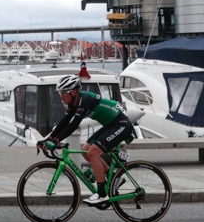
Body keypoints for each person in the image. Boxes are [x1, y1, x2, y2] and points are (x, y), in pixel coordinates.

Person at [39, 74, 135, 206]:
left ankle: (102, 194)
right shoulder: (74, 102)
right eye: (59, 92)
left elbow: (73, 125)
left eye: (63, 92)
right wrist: (48, 139)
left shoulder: (85, 100)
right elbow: (65, 121)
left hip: (121, 125)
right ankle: (113, 178)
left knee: (93, 152)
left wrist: (56, 142)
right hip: (111, 124)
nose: (61, 96)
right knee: (85, 151)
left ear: (73, 92)